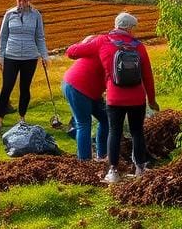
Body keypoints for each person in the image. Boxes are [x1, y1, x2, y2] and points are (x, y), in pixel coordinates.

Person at [66, 12, 158, 183]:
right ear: (130, 28)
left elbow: (71, 53)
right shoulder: (139, 47)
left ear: (116, 25)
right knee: (137, 132)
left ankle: (113, 172)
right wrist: (151, 100)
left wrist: (82, 43)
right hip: (137, 98)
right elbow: (148, 76)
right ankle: (140, 170)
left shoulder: (103, 41)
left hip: (115, 98)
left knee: (114, 132)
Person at [0, 0, 48, 134]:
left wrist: (44, 56)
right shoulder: (9, 14)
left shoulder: (36, 15)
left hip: (30, 57)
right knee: (7, 87)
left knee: (25, 88)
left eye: (25, 0)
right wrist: (0, 57)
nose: (22, 3)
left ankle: (22, 118)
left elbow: (40, 37)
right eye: (19, 0)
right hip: (11, 56)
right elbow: (3, 37)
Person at [63, 33, 109, 162]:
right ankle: (85, 162)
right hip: (76, 86)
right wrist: (85, 44)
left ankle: (102, 155)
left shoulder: (112, 49)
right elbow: (71, 52)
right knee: (83, 123)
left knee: (106, 119)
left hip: (92, 91)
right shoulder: (101, 43)